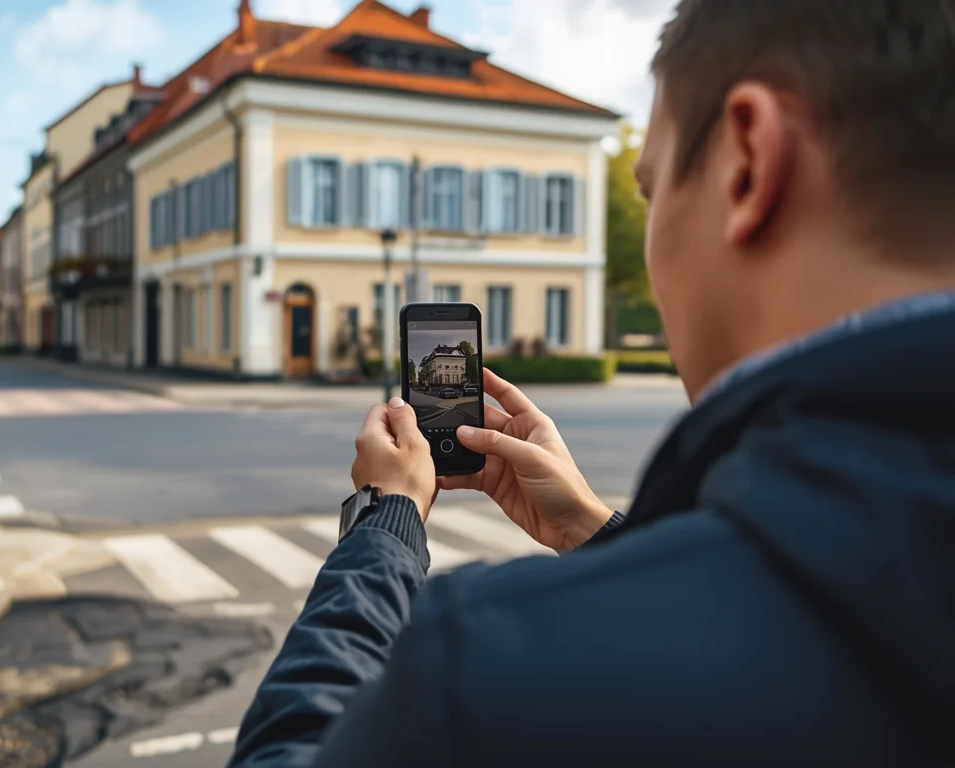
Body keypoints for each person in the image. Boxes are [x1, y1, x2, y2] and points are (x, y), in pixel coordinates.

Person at [228, 0, 955, 765]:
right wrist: (592, 531)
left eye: (650, 190)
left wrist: (386, 524)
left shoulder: (488, 669)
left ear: (748, 160)